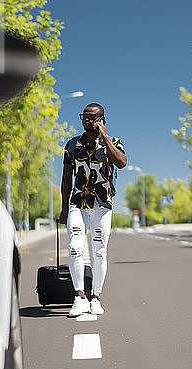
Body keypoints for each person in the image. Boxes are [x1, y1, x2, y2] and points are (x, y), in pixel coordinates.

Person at [59, 103, 127, 316]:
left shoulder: (113, 142)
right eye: (86, 117)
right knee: (75, 247)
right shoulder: (72, 145)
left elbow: (122, 162)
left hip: (102, 205)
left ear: (103, 119)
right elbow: (66, 178)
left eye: (94, 117)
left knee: (99, 251)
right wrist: (63, 208)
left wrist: (105, 138)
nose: (89, 121)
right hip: (77, 203)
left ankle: (95, 297)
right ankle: (79, 296)